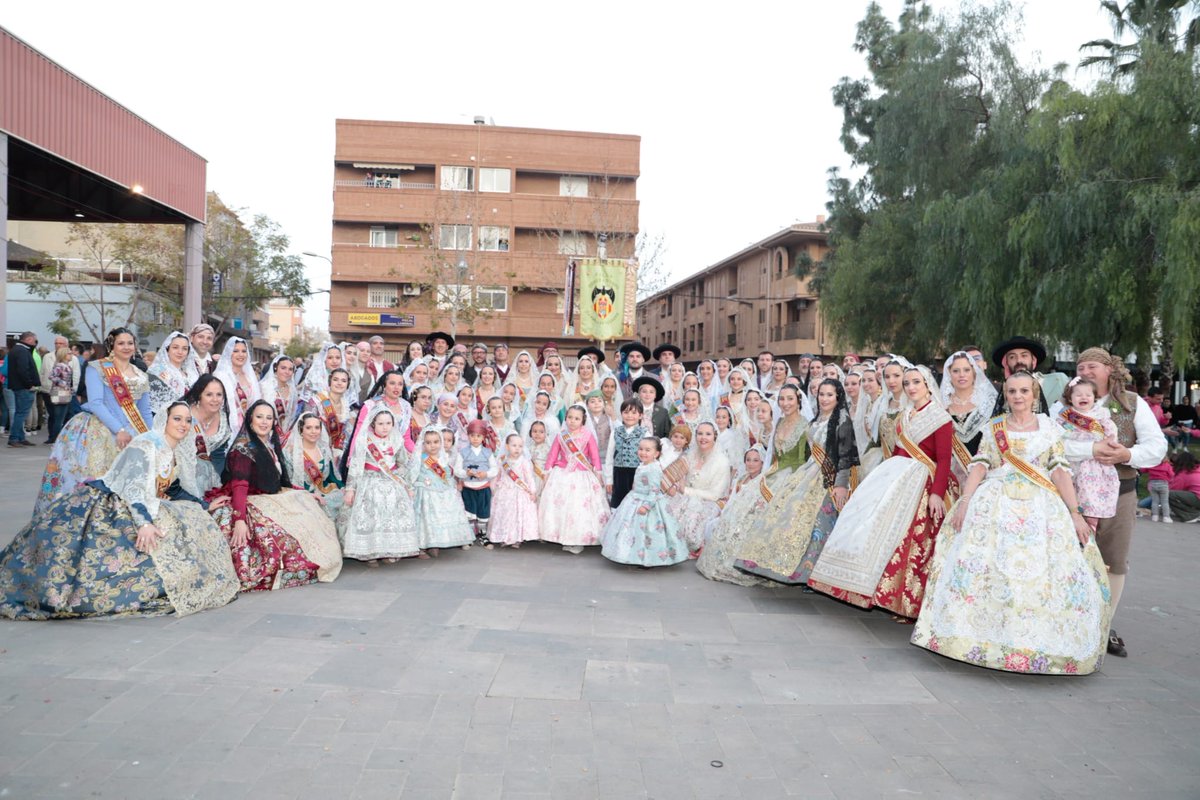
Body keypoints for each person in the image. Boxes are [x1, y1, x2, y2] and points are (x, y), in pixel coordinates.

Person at [911, 372, 1112, 675]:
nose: (1018, 396)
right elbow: (981, 465)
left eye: (1024, 391)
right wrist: (965, 502)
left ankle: (1036, 644)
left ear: (1034, 395)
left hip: (1040, 507)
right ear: (1006, 395)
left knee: (1038, 573)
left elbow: (1059, 471)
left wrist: (1074, 512)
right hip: (995, 501)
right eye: (1012, 391)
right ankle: (979, 638)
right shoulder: (995, 428)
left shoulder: (1050, 429)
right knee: (988, 567)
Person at [0, 401, 239, 619]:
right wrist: (144, 524)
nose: (183, 424)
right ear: (164, 420)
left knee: (189, 518)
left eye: (188, 420)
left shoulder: (170, 451)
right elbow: (133, 490)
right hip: (109, 503)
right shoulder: (146, 445)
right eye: (177, 418)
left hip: (137, 505)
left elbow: (173, 489)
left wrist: (205, 505)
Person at [809, 365, 958, 619]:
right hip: (898, 477)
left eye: (916, 383)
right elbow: (900, 451)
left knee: (911, 542)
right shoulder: (906, 414)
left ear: (927, 385)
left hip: (924, 481)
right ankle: (876, 591)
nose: (911, 388)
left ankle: (908, 602)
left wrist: (936, 492)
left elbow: (944, 459)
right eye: (908, 383)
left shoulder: (940, 418)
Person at [1058, 348, 1166, 658]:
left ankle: (1104, 625)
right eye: (1080, 366)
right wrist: (1091, 450)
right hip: (1072, 496)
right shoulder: (1063, 405)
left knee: (1114, 560)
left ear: (1109, 370)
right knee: (1069, 558)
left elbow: (1157, 446)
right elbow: (1054, 445)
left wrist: (1126, 455)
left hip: (1120, 492)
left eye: (1092, 365)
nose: (1085, 370)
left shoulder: (1132, 403)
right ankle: (1067, 623)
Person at [208, 400, 343, 591]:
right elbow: (239, 485)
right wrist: (239, 520)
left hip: (271, 496)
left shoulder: (268, 444)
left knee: (311, 514)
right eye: (259, 417)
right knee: (286, 539)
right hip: (249, 501)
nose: (264, 422)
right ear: (250, 420)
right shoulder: (242, 449)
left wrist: (300, 492)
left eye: (269, 418)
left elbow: (278, 480)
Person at [735, 379, 859, 585]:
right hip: (808, 473)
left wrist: (840, 485)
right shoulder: (818, 419)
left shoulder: (842, 420)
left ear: (838, 397)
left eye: (830, 395)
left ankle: (813, 575)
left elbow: (845, 455)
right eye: (821, 394)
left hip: (830, 478)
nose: (825, 399)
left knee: (816, 523)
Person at [700, 385, 810, 587]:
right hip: (773, 473)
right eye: (782, 399)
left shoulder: (806, 426)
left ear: (799, 401)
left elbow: (805, 460)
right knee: (743, 508)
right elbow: (773, 456)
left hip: (794, 477)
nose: (785, 403)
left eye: (790, 399)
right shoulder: (779, 422)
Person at [35, 328, 153, 516]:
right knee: (92, 483)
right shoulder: (97, 368)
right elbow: (96, 403)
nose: (126, 347)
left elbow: (145, 411)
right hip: (98, 431)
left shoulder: (141, 374)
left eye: (130, 343)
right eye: (121, 343)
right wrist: (119, 429)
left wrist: (150, 437)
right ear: (111, 345)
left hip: (133, 433)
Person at [338, 406, 419, 562]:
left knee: (392, 512)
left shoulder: (396, 440)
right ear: (373, 424)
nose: (385, 427)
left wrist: (406, 484)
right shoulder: (364, 440)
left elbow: (403, 463)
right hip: (369, 479)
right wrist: (350, 489)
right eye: (381, 423)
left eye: (388, 423)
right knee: (371, 512)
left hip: (391, 480)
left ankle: (391, 549)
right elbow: (355, 467)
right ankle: (370, 551)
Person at [601, 436, 689, 567]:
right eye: (641, 449)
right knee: (630, 529)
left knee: (648, 532)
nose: (643, 452)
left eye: (648, 450)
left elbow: (654, 491)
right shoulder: (643, 465)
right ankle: (629, 554)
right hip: (635, 498)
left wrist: (646, 506)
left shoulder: (654, 468)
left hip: (648, 502)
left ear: (656, 453)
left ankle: (648, 558)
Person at [539, 404, 610, 554]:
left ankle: (578, 540)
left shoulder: (587, 435)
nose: (572, 421)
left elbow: (594, 455)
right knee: (561, 505)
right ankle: (560, 535)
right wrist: (547, 470)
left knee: (578, 507)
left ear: (583, 420)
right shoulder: (561, 435)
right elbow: (553, 453)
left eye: (577, 418)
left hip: (582, 474)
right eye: (570, 417)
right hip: (562, 472)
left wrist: (598, 471)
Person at [1056, 377, 1119, 532]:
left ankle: (1090, 529)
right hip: (1072, 464)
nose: (1083, 397)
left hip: (1096, 467)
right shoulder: (1065, 417)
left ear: (1095, 397)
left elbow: (1112, 434)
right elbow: (1058, 440)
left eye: (1088, 395)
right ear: (1070, 398)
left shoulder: (1101, 415)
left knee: (1092, 500)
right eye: (1078, 395)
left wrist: (1109, 443)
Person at [666, 421, 731, 556]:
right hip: (685, 497)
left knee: (691, 517)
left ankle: (685, 547)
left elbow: (715, 495)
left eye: (708, 434)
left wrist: (686, 491)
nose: (703, 437)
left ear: (715, 436)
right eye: (700, 433)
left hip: (709, 502)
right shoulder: (690, 455)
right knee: (666, 509)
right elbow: (679, 476)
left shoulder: (722, 461)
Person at [410, 425, 475, 555]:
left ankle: (448, 539)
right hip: (427, 492)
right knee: (428, 518)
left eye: (436, 442)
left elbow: (448, 474)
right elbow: (412, 475)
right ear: (423, 444)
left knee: (446, 512)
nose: (432, 446)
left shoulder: (443, 457)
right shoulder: (420, 458)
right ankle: (428, 543)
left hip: (444, 490)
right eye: (428, 443)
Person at [285, 412, 346, 523]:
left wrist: (344, 489)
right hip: (302, 497)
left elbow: (332, 477)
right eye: (308, 428)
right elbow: (287, 483)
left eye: (317, 427)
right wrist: (309, 496)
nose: (313, 431)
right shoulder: (290, 453)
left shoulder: (323, 450)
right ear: (300, 430)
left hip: (325, 494)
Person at [941, 351, 996, 460]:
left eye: (966, 370)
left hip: (985, 467)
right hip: (951, 471)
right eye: (956, 371)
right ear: (949, 374)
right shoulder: (942, 405)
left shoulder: (989, 403)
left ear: (974, 372)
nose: (962, 375)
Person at [989, 336, 1065, 415]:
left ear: (1033, 360)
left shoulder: (1058, 381)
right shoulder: (999, 392)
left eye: (1024, 355)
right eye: (1012, 357)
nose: (1019, 361)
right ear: (1006, 363)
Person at [490, 433, 540, 548]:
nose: (517, 448)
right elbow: (497, 476)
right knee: (505, 515)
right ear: (507, 446)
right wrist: (493, 488)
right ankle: (505, 537)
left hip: (520, 492)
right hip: (505, 492)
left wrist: (532, 492)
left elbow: (529, 478)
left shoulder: (524, 462)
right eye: (514, 445)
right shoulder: (502, 461)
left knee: (518, 515)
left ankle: (517, 538)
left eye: (520, 446)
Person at [455, 419, 499, 546]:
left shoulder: (488, 453)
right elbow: (457, 470)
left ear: (483, 437)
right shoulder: (463, 453)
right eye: (472, 435)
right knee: (469, 513)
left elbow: (495, 469)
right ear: (468, 436)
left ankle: (483, 535)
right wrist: (466, 473)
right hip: (468, 487)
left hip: (483, 487)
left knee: (483, 513)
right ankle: (468, 536)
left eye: (478, 436)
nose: (475, 439)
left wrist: (486, 474)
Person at [145, 331, 199, 422]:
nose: (180, 352)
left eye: (184, 349)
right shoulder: (156, 372)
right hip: (164, 422)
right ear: (167, 349)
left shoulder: (192, 375)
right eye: (175, 347)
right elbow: (150, 406)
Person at [213, 337, 261, 432]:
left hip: (249, 427)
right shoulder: (221, 376)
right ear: (229, 353)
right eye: (236, 351)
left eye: (244, 351)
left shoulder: (250, 376)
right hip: (228, 427)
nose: (240, 354)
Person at [605, 400, 645, 509]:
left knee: (634, 506)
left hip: (637, 474)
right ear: (621, 414)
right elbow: (609, 457)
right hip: (619, 474)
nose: (629, 416)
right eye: (626, 412)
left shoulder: (645, 433)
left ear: (640, 415)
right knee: (617, 505)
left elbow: (648, 458)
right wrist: (609, 479)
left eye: (633, 413)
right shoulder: (616, 432)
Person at [6, 332, 40, 447]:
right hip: (23, 387)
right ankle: (14, 438)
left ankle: (20, 437)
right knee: (21, 414)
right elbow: (23, 370)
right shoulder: (22, 351)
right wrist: (29, 384)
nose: (35, 343)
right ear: (29, 339)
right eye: (34, 340)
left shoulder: (16, 349)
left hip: (18, 386)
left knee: (20, 413)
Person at [43, 344, 80, 444]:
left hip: (66, 393)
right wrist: (63, 384)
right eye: (69, 353)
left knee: (65, 416)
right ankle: (56, 439)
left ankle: (59, 438)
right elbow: (52, 376)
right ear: (64, 355)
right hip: (61, 393)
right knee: (59, 418)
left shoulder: (65, 365)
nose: (71, 355)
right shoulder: (60, 366)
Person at [259, 355, 298, 436]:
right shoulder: (263, 387)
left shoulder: (292, 390)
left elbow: (292, 415)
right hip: (265, 433)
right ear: (276, 368)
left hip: (285, 435)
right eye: (283, 368)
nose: (287, 372)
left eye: (290, 369)